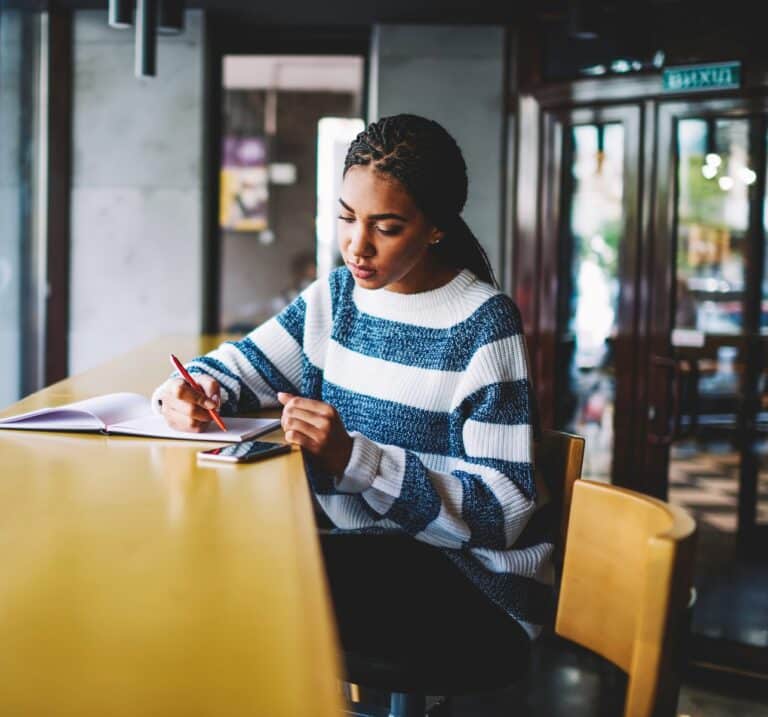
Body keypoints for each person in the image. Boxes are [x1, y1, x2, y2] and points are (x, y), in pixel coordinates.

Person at [152, 114, 550, 668]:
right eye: (345, 218)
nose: (356, 246)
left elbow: (503, 510)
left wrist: (355, 459)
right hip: (363, 559)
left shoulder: (484, 323)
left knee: (242, 581)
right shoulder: (338, 298)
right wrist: (190, 389)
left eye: (385, 228)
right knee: (216, 553)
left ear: (436, 225)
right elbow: (240, 368)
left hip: (469, 588)